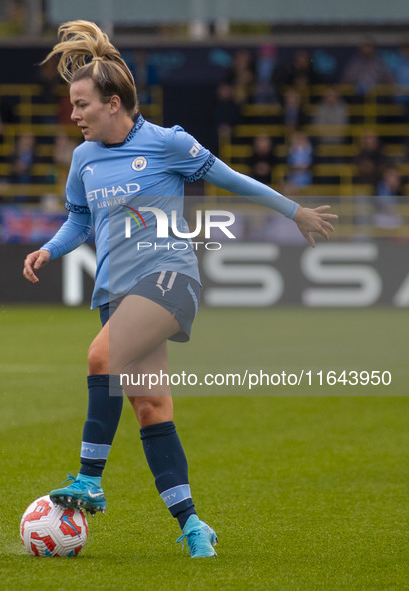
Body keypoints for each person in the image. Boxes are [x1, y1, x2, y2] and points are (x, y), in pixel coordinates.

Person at [23, 20, 337, 559]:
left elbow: (231, 178)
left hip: (168, 279)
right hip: (117, 295)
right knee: (150, 407)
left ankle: (88, 479)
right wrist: (51, 248)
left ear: (114, 102)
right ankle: (193, 524)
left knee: (102, 356)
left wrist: (294, 211)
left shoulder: (167, 144)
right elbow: (79, 219)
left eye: (81, 105)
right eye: (72, 106)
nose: (73, 116)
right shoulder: (83, 159)